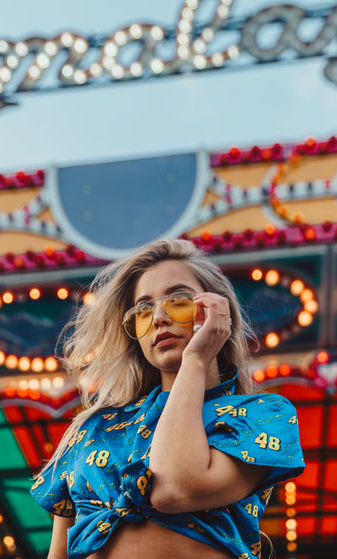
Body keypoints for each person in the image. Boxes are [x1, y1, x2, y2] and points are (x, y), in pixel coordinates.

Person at [30, 238, 304, 559]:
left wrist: (197, 359)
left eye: (178, 299)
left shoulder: (262, 416)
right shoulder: (91, 427)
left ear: (217, 309)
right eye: (143, 310)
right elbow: (58, 553)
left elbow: (174, 488)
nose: (159, 317)